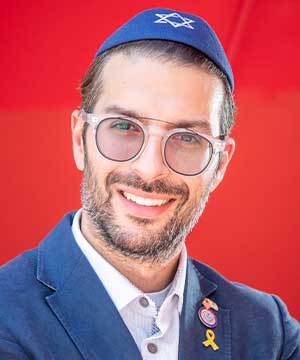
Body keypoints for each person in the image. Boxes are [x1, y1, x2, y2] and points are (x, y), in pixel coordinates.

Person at [0, 7, 299, 360]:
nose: (151, 169)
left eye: (187, 138)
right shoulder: (7, 319)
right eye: (124, 127)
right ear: (80, 138)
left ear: (220, 164)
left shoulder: (270, 332)